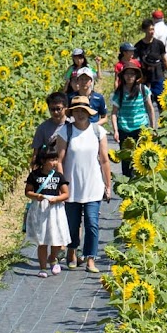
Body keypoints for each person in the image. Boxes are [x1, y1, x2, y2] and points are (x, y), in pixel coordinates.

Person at [59, 96, 113, 273]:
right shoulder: (65, 132)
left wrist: (108, 185)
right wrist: (62, 184)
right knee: (73, 224)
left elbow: (104, 160)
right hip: (72, 186)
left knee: (92, 223)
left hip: (93, 185)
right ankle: (72, 251)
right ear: (72, 113)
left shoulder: (98, 132)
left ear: (89, 113)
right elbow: (59, 160)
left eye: (83, 110)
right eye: (77, 111)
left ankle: (90, 258)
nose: (80, 114)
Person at [108, 60, 158, 182]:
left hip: (141, 128)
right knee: (126, 160)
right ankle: (129, 185)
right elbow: (114, 113)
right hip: (124, 128)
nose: (129, 76)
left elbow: (150, 109)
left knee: (141, 158)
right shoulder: (119, 92)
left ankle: (140, 183)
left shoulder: (142, 89)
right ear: (123, 76)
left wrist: (153, 128)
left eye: (132, 74)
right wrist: (115, 131)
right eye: (127, 74)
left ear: (136, 76)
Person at [25, 145, 71, 276]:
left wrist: (57, 199)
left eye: (56, 159)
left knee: (57, 238)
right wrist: (37, 196)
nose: (55, 163)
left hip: (55, 210)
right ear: (43, 161)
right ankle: (43, 267)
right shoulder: (34, 175)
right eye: (52, 160)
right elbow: (28, 191)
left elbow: (66, 193)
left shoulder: (58, 176)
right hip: (40, 210)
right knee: (42, 240)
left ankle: (53, 258)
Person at [134, 17, 167, 103]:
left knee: (160, 100)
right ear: (144, 30)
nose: (152, 32)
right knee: (145, 101)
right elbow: (134, 62)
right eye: (150, 30)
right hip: (145, 77)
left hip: (158, 76)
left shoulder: (159, 44)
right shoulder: (139, 46)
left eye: (153, 29)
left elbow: (165, 59)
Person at [30, 92, 69, 167]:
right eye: (52, 109)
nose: (55, 112)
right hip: (52, 170)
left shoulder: (72, 124)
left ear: (65, 107)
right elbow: (36, 153)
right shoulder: (43, 128)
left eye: (58, 109)